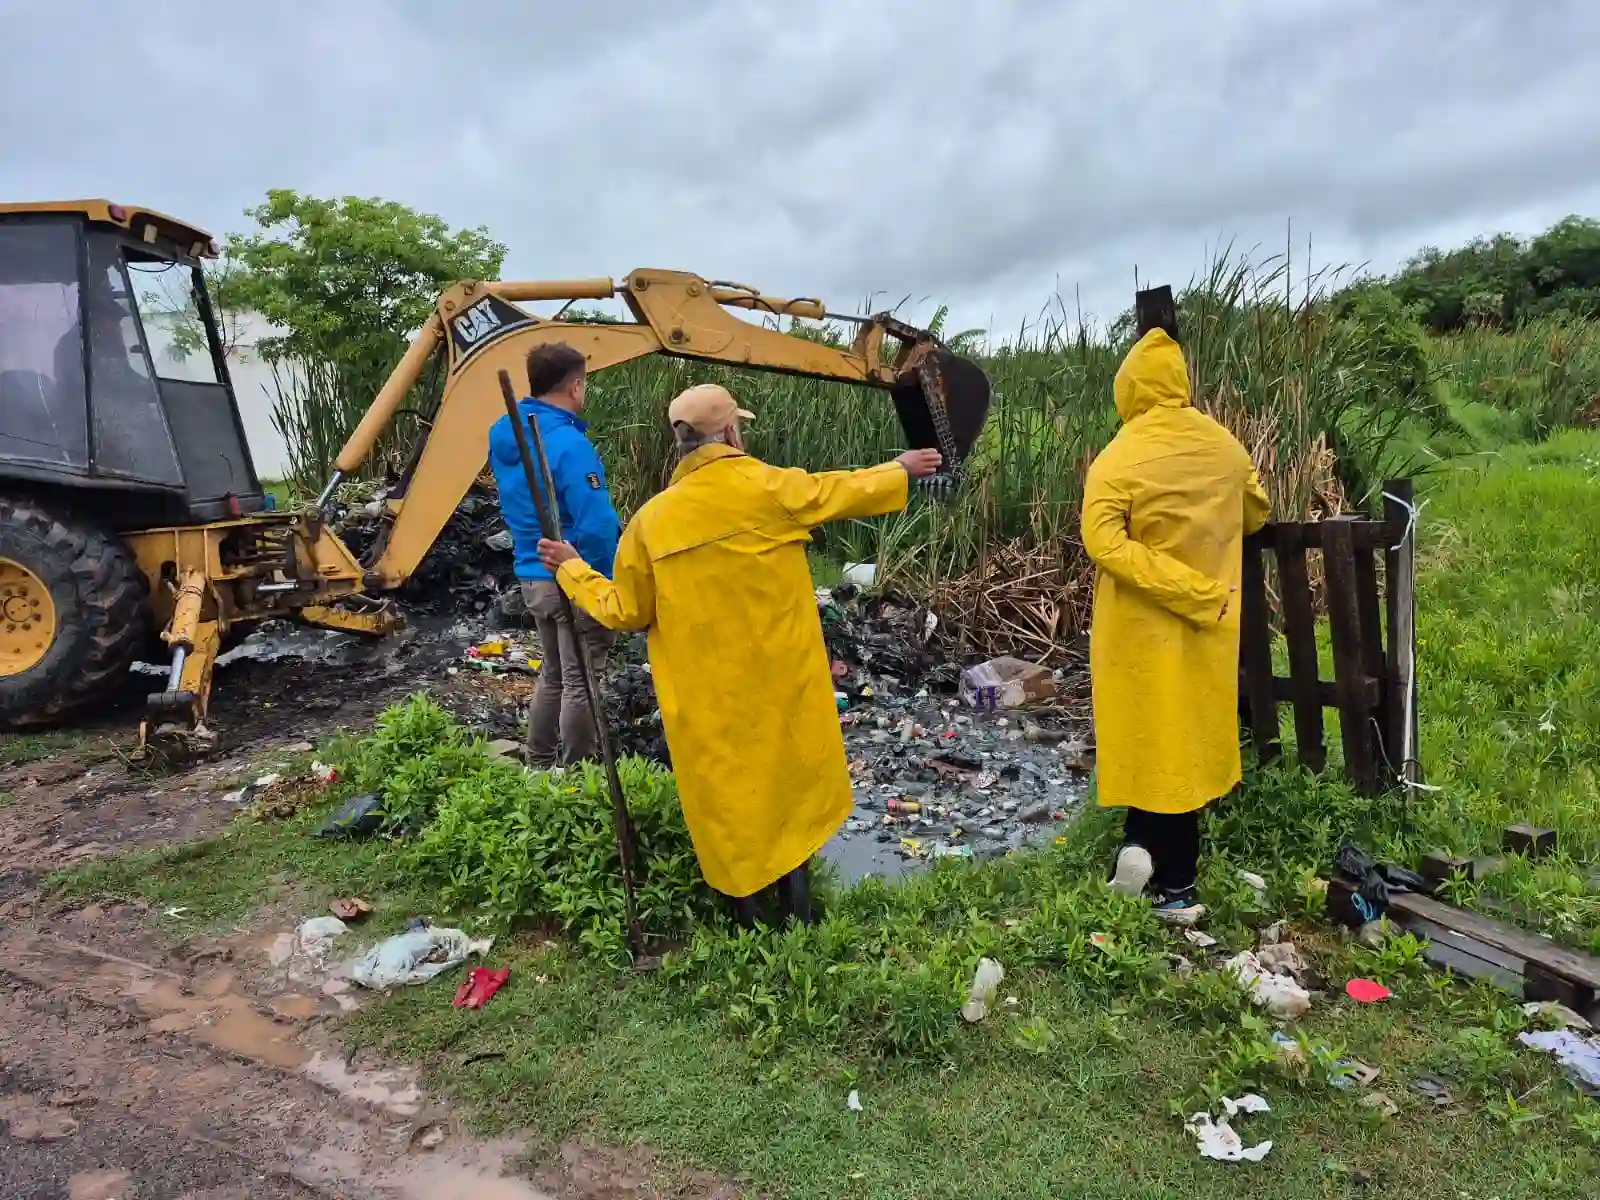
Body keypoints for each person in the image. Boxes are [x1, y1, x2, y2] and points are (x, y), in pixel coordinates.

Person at [536, 383, 943, 923]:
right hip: (779, 686)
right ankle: (799, 914)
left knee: (728, 806)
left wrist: (570, 568)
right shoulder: (769, 488)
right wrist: (901, 467)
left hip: (705, 700)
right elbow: (836, 490)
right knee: (787, 792)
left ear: (681, 442)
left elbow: (624, 611)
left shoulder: (651, 522)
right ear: (730, 432)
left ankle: (747, 923)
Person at [1081, 326, 1270, 925]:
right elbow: (1256, 513)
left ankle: (1164, 875)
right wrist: (1200, 584)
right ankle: (1154, 865)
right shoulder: (1226, 448)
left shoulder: (1116, 459)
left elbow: (1100, 541)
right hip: (1208, 625)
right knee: (1183, 738)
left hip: (1137, 625)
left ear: (1129, 389)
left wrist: (1176, 586)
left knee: (1147, 732)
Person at [488, 342, 621, 768]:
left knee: (554, 675)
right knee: (582, 680)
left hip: (532, 572)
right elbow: (597, 525)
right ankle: (576, 773)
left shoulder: (507, 432)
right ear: (576, 386)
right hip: (571, 573)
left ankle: (540, 765)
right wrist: (602, 580)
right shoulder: (568, 443)